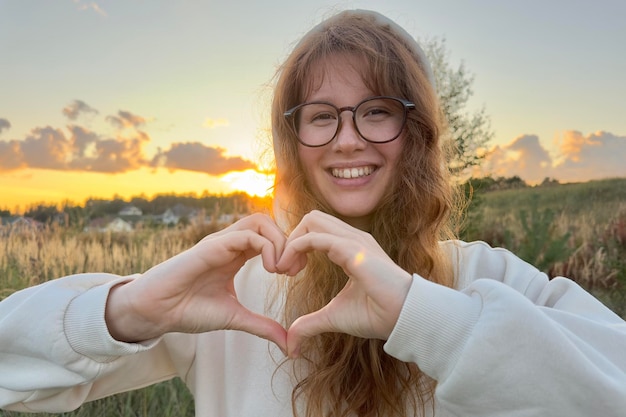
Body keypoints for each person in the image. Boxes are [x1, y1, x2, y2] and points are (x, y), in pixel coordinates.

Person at [1, 9, 625, 417]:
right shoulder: (238, 295)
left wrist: (428, 317)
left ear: (417, 132)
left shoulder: (486, 281)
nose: (347, 139)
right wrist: (130, 309)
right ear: (291, 143)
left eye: (377, 110)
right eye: (321, 116)